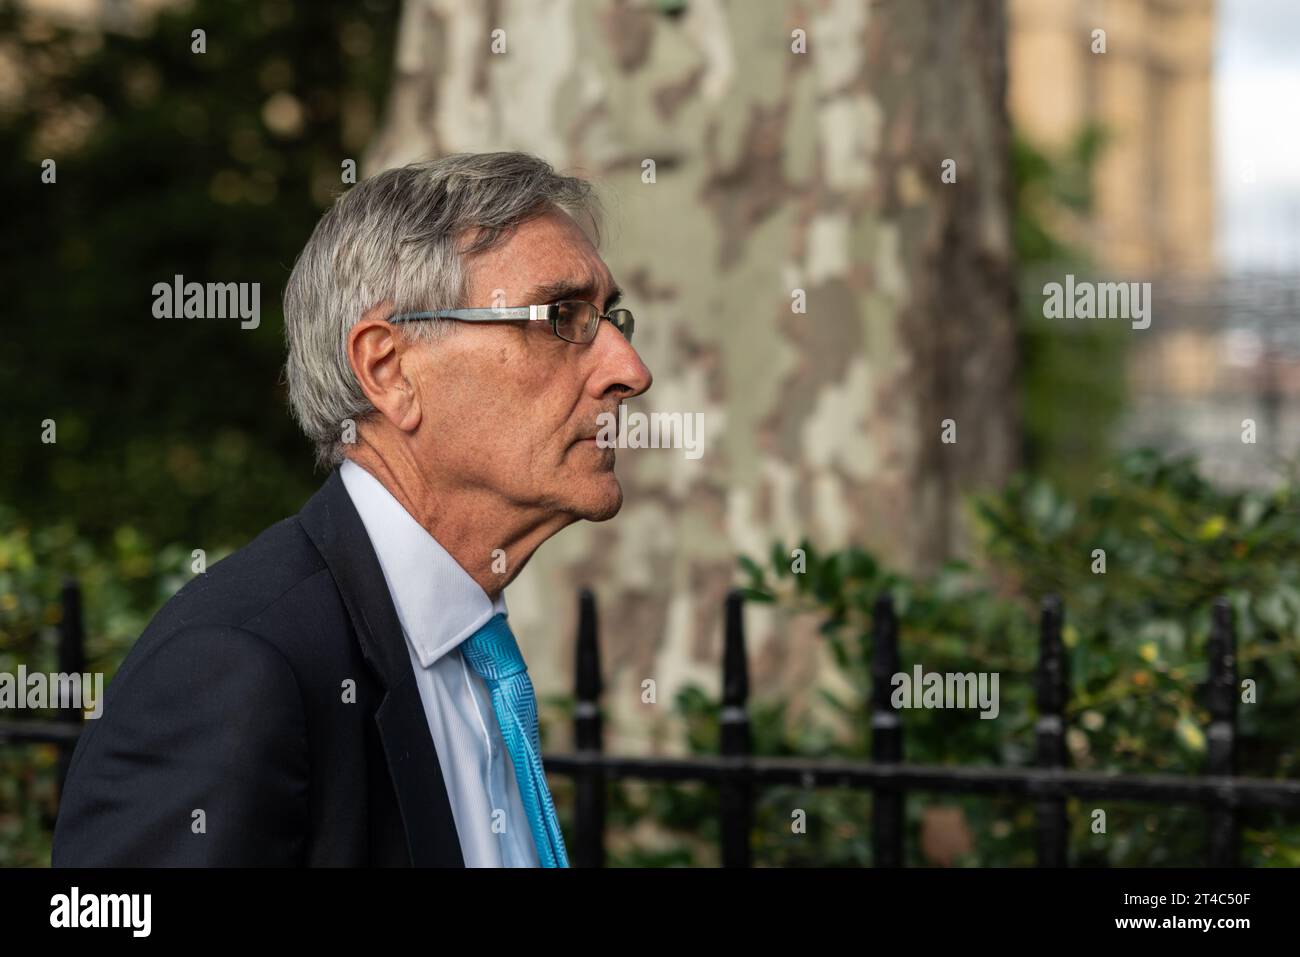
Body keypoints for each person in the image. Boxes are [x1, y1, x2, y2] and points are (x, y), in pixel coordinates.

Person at [51, 151, 652, 866]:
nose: (629, 370)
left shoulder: (469, 653)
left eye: (612, 317)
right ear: (389, 369)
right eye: (562, 316)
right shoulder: (237, 669)